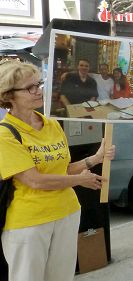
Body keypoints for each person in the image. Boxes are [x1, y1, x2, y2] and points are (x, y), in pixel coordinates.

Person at [0, 60, 115, 281]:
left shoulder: (51, 124)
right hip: (30, 224)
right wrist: (80, 180)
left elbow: (64, 169)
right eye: (30, 87)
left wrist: (96, 158)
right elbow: (35, 180)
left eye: (39, 84)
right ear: (8, 95)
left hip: (67, 213)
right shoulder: (5, 135)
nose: (38, 91)